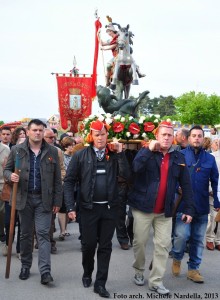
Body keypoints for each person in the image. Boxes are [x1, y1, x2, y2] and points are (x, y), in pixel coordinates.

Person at [63, 120, 131, 298]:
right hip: (88, 209)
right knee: (89, 245)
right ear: (91, 136)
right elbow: (69, 181)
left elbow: (127, 175)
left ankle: (100, 283)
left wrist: (121, 154)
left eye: (103, 134)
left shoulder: (114, 155)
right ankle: (87, 272)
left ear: (108, 135)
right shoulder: (81, 155)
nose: (100, 138)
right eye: (97, 134)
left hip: (110, 209)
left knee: (105, 247)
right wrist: (70, 206)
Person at [128, 121, 194, 295]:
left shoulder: (178, 157)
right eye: (163, 134)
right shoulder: (147, 152)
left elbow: (186, 184)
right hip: (143, 207)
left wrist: (189, 209)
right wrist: (147, 150)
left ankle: (156, 281)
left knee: (163, 245)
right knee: (139, 242)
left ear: (174, 138)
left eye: (169, 135)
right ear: (157, 136)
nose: (166, 137)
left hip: (165, 211)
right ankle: (139, 271)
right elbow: (135, 168)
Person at [4, 119, 62, 284]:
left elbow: (57, 178)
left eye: (40, 130)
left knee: (43, 234)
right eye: (35, 130)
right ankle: (25, 266)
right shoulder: (17, 150)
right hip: (24, 198)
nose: (38, 133)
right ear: (28, 132)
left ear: (43, 132)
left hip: (44, 199)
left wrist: (58, 200)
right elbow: (6, 170)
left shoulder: (52, 151)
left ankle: (45, 272)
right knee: (26, 234)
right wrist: (10, 176)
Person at [171, 125, 219, 283]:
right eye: (194, 135)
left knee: (198, 240)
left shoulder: (210, 159)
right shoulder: (179, 156)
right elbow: (172, 179)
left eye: (199, 136)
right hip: (183, 205)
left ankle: (193, 269)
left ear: (203, 138)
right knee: (181, 236)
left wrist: (217, 201)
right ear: (188, 138)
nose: (197, 138)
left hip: (202, 205)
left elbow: (215, 181)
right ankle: (177, 258)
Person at [206, 138, 220, 251]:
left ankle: (218, 240)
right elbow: (210, 175)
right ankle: (210, 239)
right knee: (213, 216)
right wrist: (210, 189)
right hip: (215, 191)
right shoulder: (213, 156)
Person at [0, 143, 10, 243]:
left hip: (2, 185)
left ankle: (2, 232)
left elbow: (8, 168)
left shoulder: (5, 149)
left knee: (2, 212)